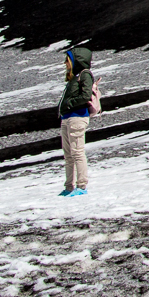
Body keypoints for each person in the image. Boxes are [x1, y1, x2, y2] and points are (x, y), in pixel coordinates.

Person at [57, 47, 101, 197]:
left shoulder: (85, 75)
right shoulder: (74, 77)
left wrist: (69, 104)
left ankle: (81, 186)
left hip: (77, 117)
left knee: (77, 152)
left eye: (67, 60)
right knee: (68, 154)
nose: (65, 63)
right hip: (67, 118)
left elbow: (86, 95)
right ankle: (69, 187)